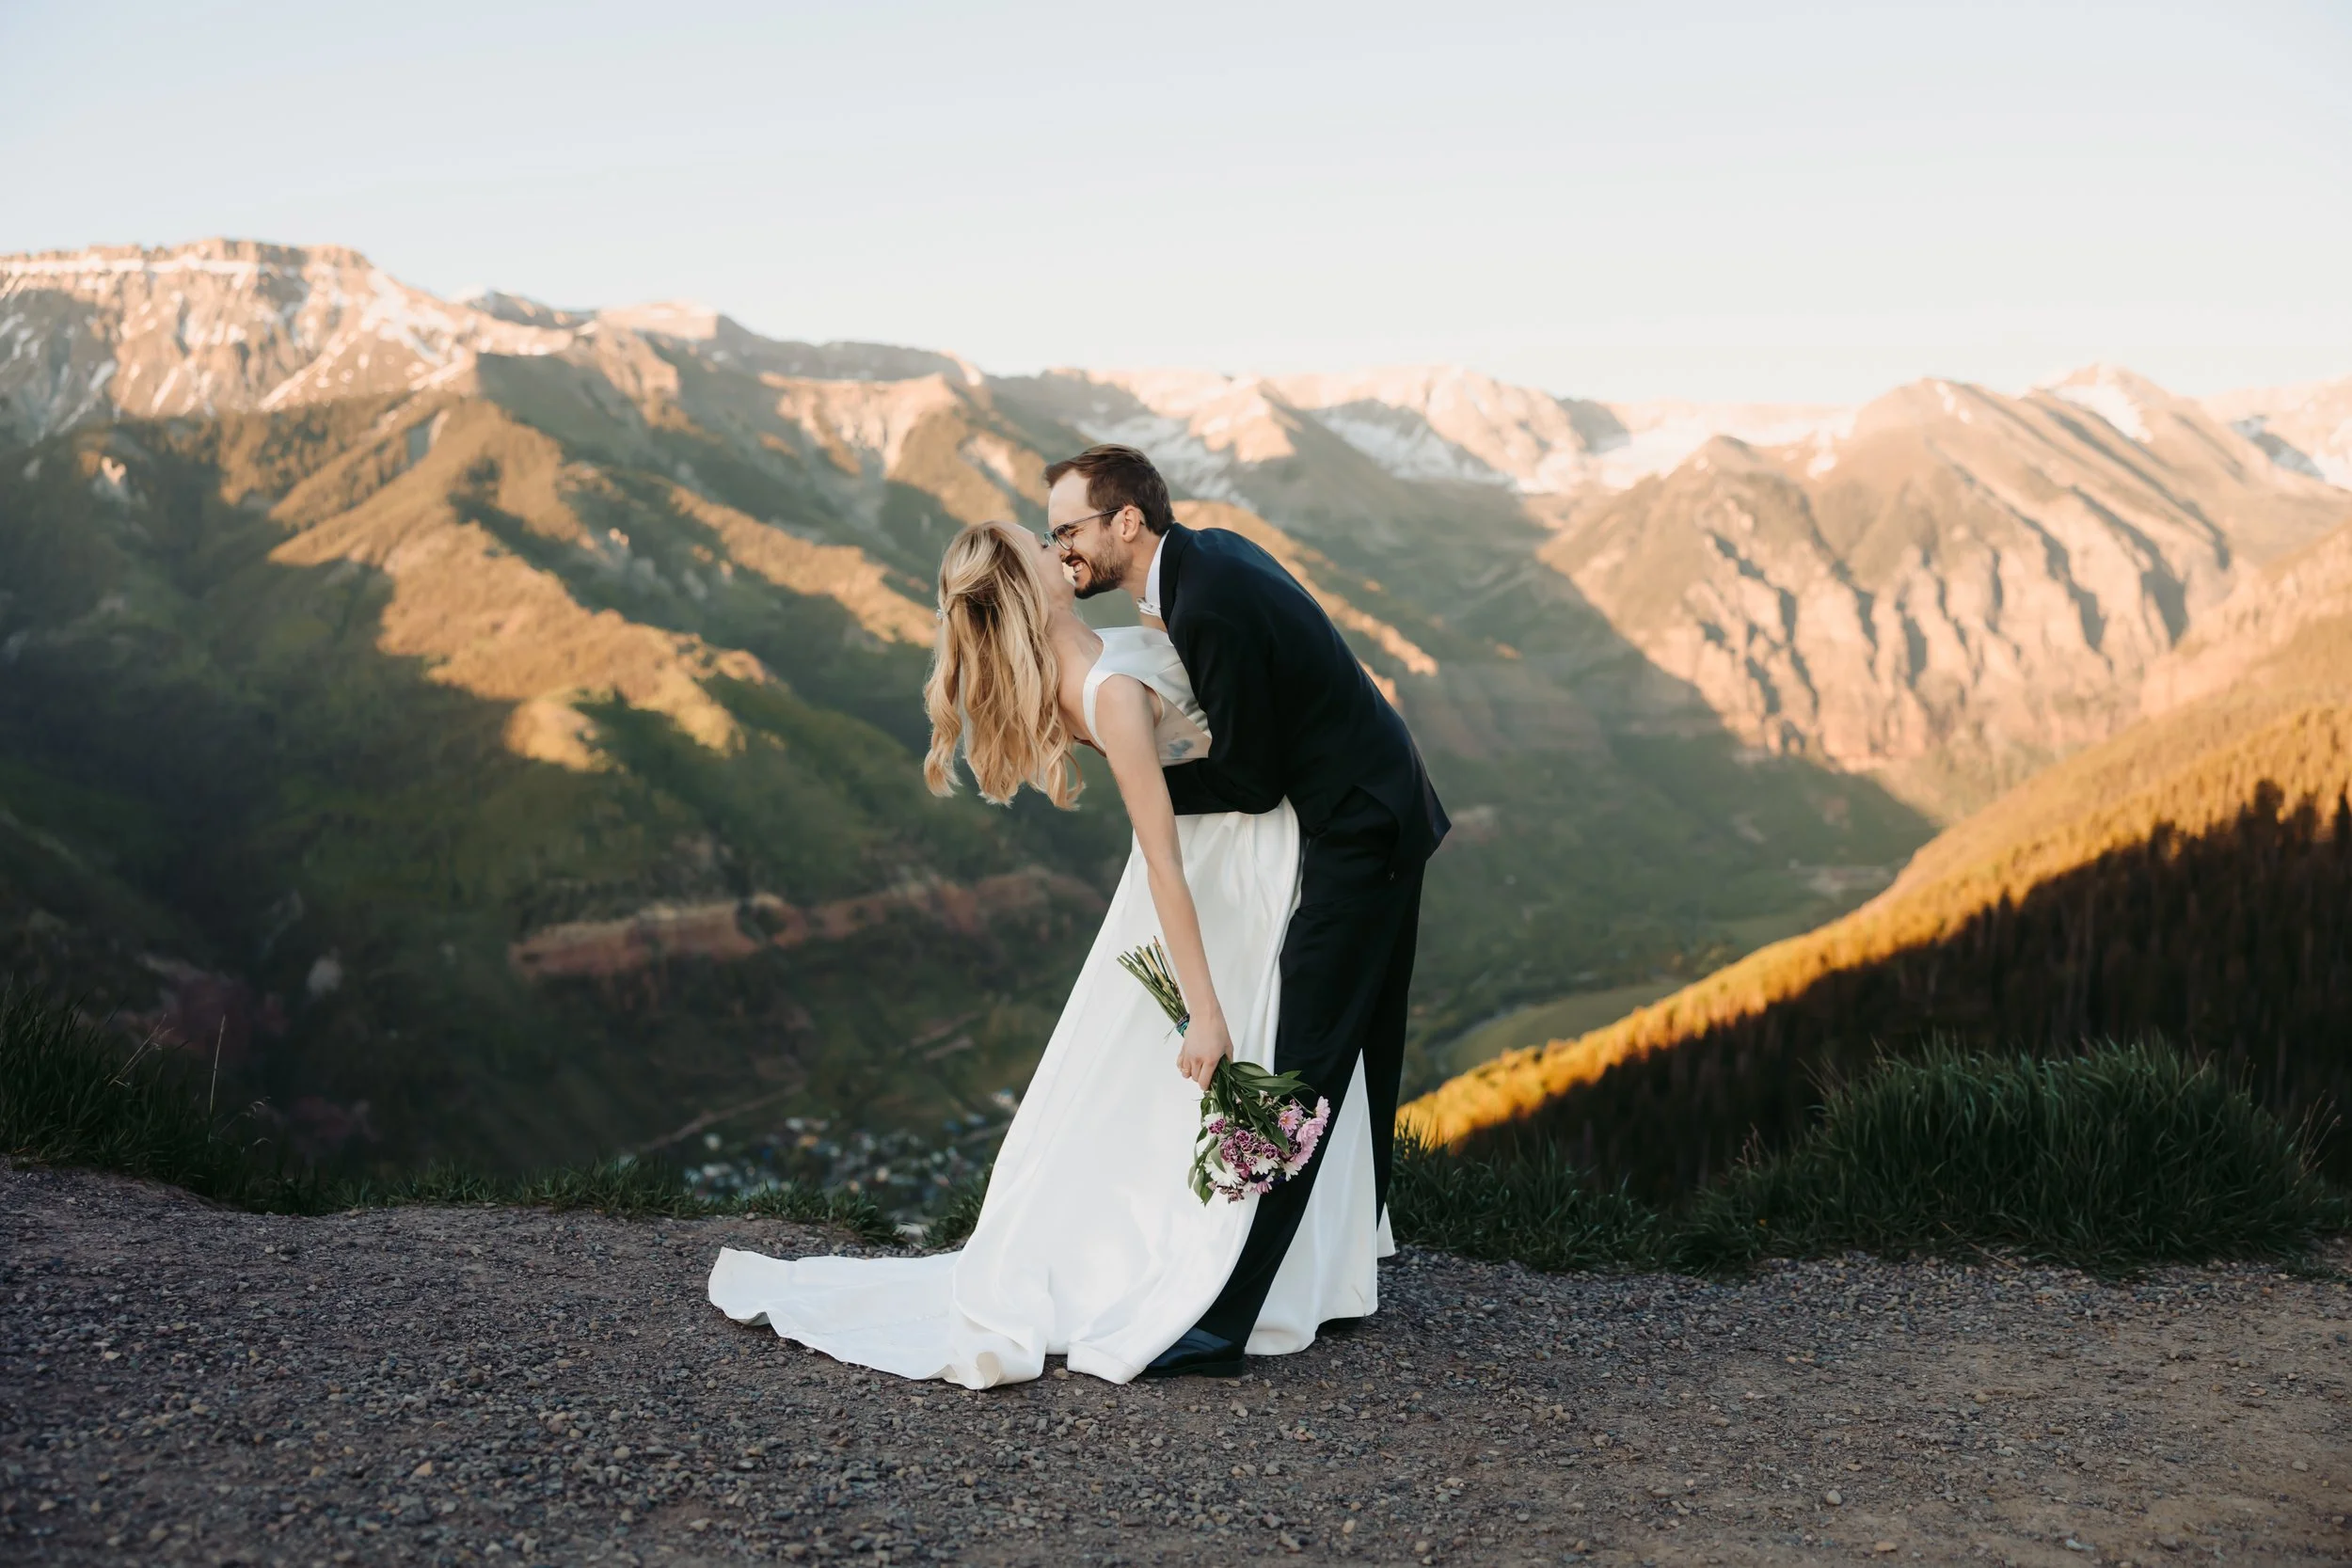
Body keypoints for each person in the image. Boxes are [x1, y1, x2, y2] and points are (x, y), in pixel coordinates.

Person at [707, 515, 1386, 1386]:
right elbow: (1164, 857)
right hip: (1219, 881)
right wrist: (1206, 1012)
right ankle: (1210, 1265)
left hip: (1248, 852)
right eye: (1039, 544)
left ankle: (1294, 1263)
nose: (1055, 547)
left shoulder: (1096, 648)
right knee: (1241, 1052)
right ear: (1028, 584)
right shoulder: (1100, 687)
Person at [1045, 444, 1448, 1377]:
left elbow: (1254, 776)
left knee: (1302, 1061)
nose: (1060, 547)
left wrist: (1140, 775)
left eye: (1068, 528)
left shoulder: (1207, 600)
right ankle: (1348, 1263)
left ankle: (1225, 1313)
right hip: (1384, 806)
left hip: (1358, 831)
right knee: (1365, 1050)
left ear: (1127, 522)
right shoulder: (1204, 560)